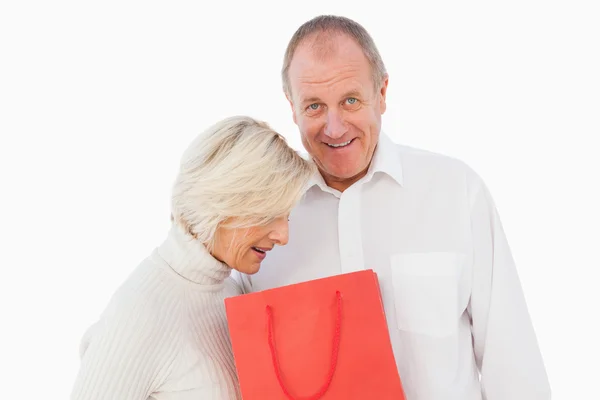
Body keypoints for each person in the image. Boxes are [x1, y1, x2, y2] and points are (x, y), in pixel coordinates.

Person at [235, 15, 551, 399]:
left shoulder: (455, 191)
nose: (334, 128)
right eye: (315, 106)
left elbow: (513, 366)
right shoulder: (262, 220)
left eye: (350, 100)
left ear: (382, 94)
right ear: (292, 108)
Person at [70, 116, 315, 400]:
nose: (283, 236)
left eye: (286, 216)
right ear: (225, 200)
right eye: (270, 214)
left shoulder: (232, 291)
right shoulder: (138, 315)